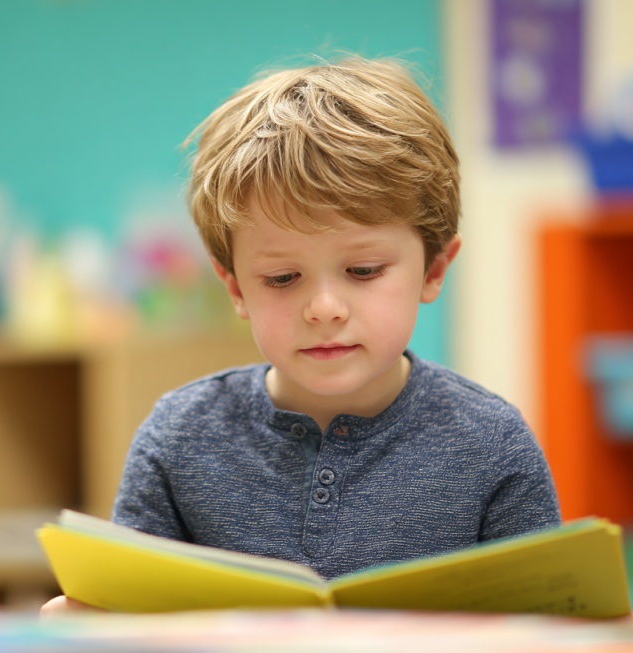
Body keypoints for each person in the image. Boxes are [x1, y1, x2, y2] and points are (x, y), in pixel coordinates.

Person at [42, 55, 560, 615]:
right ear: (236, 287)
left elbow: (552, 622)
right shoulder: (178, 440)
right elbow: (126, 615)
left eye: (362, 271)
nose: (324, 309)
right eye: (282, 279)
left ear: (434, 270)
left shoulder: (491, 444)